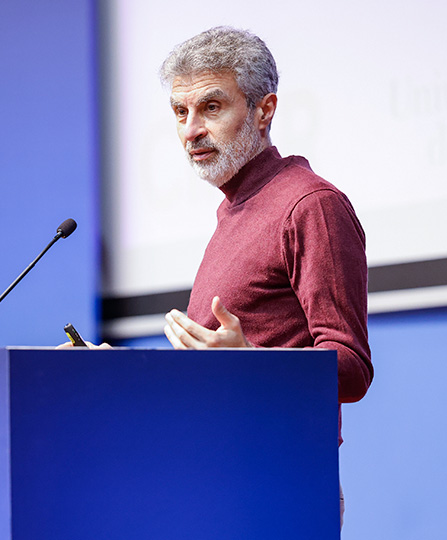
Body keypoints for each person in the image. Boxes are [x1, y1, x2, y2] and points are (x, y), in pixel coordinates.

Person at [158, 26, 373, 527]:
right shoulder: (234, 211)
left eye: (211, 107)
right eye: (180, 112)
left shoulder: (310, 206)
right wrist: (109, 373)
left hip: (277, 482)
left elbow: (353, 367)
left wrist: (251, 360)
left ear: (264, 110)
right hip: (215, 476)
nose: (191, 130)